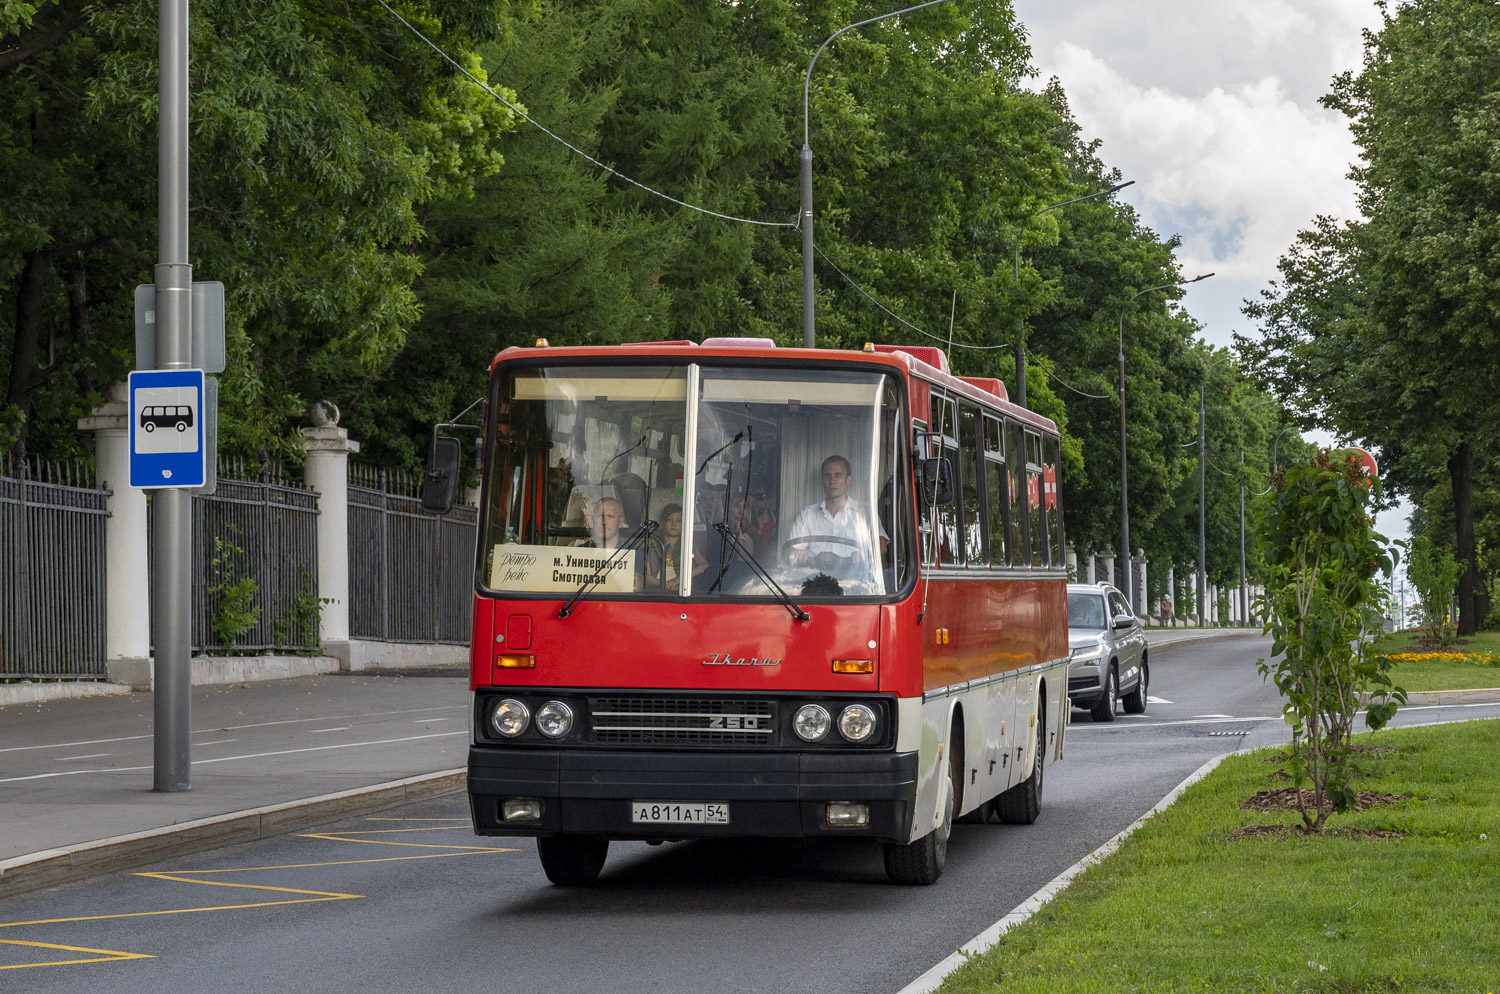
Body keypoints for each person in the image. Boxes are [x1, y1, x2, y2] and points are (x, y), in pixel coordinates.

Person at [786, 455, 887, 578]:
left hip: (856, 583)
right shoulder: (807, 514)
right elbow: (791, 550)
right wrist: (797, 554)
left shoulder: (865, 512)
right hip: (815, 584)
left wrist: (867, 553)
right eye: (827, 475)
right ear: (822, 480)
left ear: (848, 480)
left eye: (838, 475)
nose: (832, 481)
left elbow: (881, 545)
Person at [645, 503, 706, 589]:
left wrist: (679, 579)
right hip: (656, 589)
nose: (674, 524)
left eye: (678, 521)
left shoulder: (688, 546)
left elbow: (703, 565)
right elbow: (646, 577)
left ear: (684, 524)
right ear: (661, 524)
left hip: (682, 589)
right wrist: (666, 585)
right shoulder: (652, 545)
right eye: (669, 520)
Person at [746, 484, 777, 560]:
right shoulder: (741, 525)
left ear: (767, 501)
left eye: (760, 496)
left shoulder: (774, 528)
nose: (754, 501)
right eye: (751, 497)